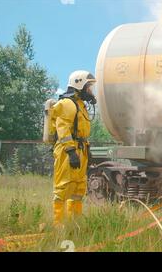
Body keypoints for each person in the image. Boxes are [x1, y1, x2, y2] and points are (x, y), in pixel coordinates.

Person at [52, 70, 96, 227]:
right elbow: (62, 129)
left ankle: (73, 224)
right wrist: (71, 152)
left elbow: (81, 132)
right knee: (63, 187)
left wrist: (87, 151)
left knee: (78, 188)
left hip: (80, 149)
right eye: (89, 87)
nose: (91, 90)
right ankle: (58, 226)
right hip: (67, 150)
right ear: (80, 85)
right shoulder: (67, 104)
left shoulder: (80, 105)